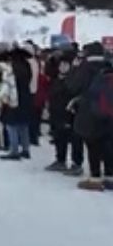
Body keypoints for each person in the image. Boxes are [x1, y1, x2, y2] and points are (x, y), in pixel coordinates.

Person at [66, 42, 113, 191]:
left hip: (89, 113)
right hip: (109, 113)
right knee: (108, 144)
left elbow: (72, 87)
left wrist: (73, 68)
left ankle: (95, 178)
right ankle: (110, 176)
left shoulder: (84, 68)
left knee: (93, 144)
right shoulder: (109, 65)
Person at [44, 51, 84, 174]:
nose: (62, 67)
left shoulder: (74, 79)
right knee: (59, 138)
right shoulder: (56, 79)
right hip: (57, 113)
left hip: (70, 114)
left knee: (75, 139)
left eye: (65, 65)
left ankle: (76, 164)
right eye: (61, 65)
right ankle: (60, 160)